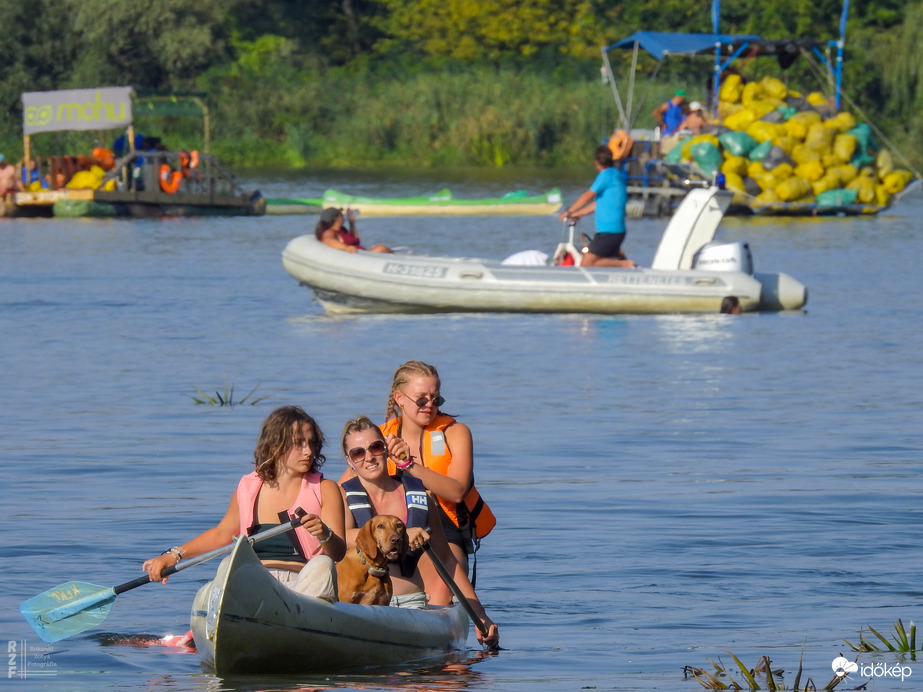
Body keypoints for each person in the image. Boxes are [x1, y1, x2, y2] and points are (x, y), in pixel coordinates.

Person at [143, 406, 347, 600]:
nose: (308, 451)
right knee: (227, 564)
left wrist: (324, 533)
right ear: (275, 445)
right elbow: (221, 533)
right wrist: (174, 555)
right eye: (299, 443)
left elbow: (337, 553)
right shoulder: (248, 488)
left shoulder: (325, 488)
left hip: (304, 584)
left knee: (323, 565)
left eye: (311, 443)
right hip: (257, 583)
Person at [338, 416, 499, 648]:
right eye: (358, 453)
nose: (369, 457)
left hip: (412, 605)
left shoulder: (420, 495)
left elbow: (447, 560)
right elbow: (338, 540)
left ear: (386, 449)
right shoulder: (343, 496)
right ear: (350, 461)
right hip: (363, 606)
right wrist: (402, 535)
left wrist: (480, 615)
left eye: (375, 447)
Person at [559, 146, 636, 268]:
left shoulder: (605, 176)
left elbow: (588, 195)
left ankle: (626, 264)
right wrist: (577, 214)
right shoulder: (617, 175)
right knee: (605, 261)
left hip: (608, 232)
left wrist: (568, 211)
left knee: (586, 263)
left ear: (596, 163)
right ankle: (621, 268)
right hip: (616, 231)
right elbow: (599, 204)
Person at [315, 207, 392, 253]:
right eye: (341, 215)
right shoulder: (329, 231)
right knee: (380, 248)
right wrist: (346, 248)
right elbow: (328, 240)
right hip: (357, 256)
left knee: (381, 248)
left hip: (362, 253)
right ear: (336, 218)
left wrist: (351, 223)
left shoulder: (343, 229)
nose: (343, 216)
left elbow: (356, 239)